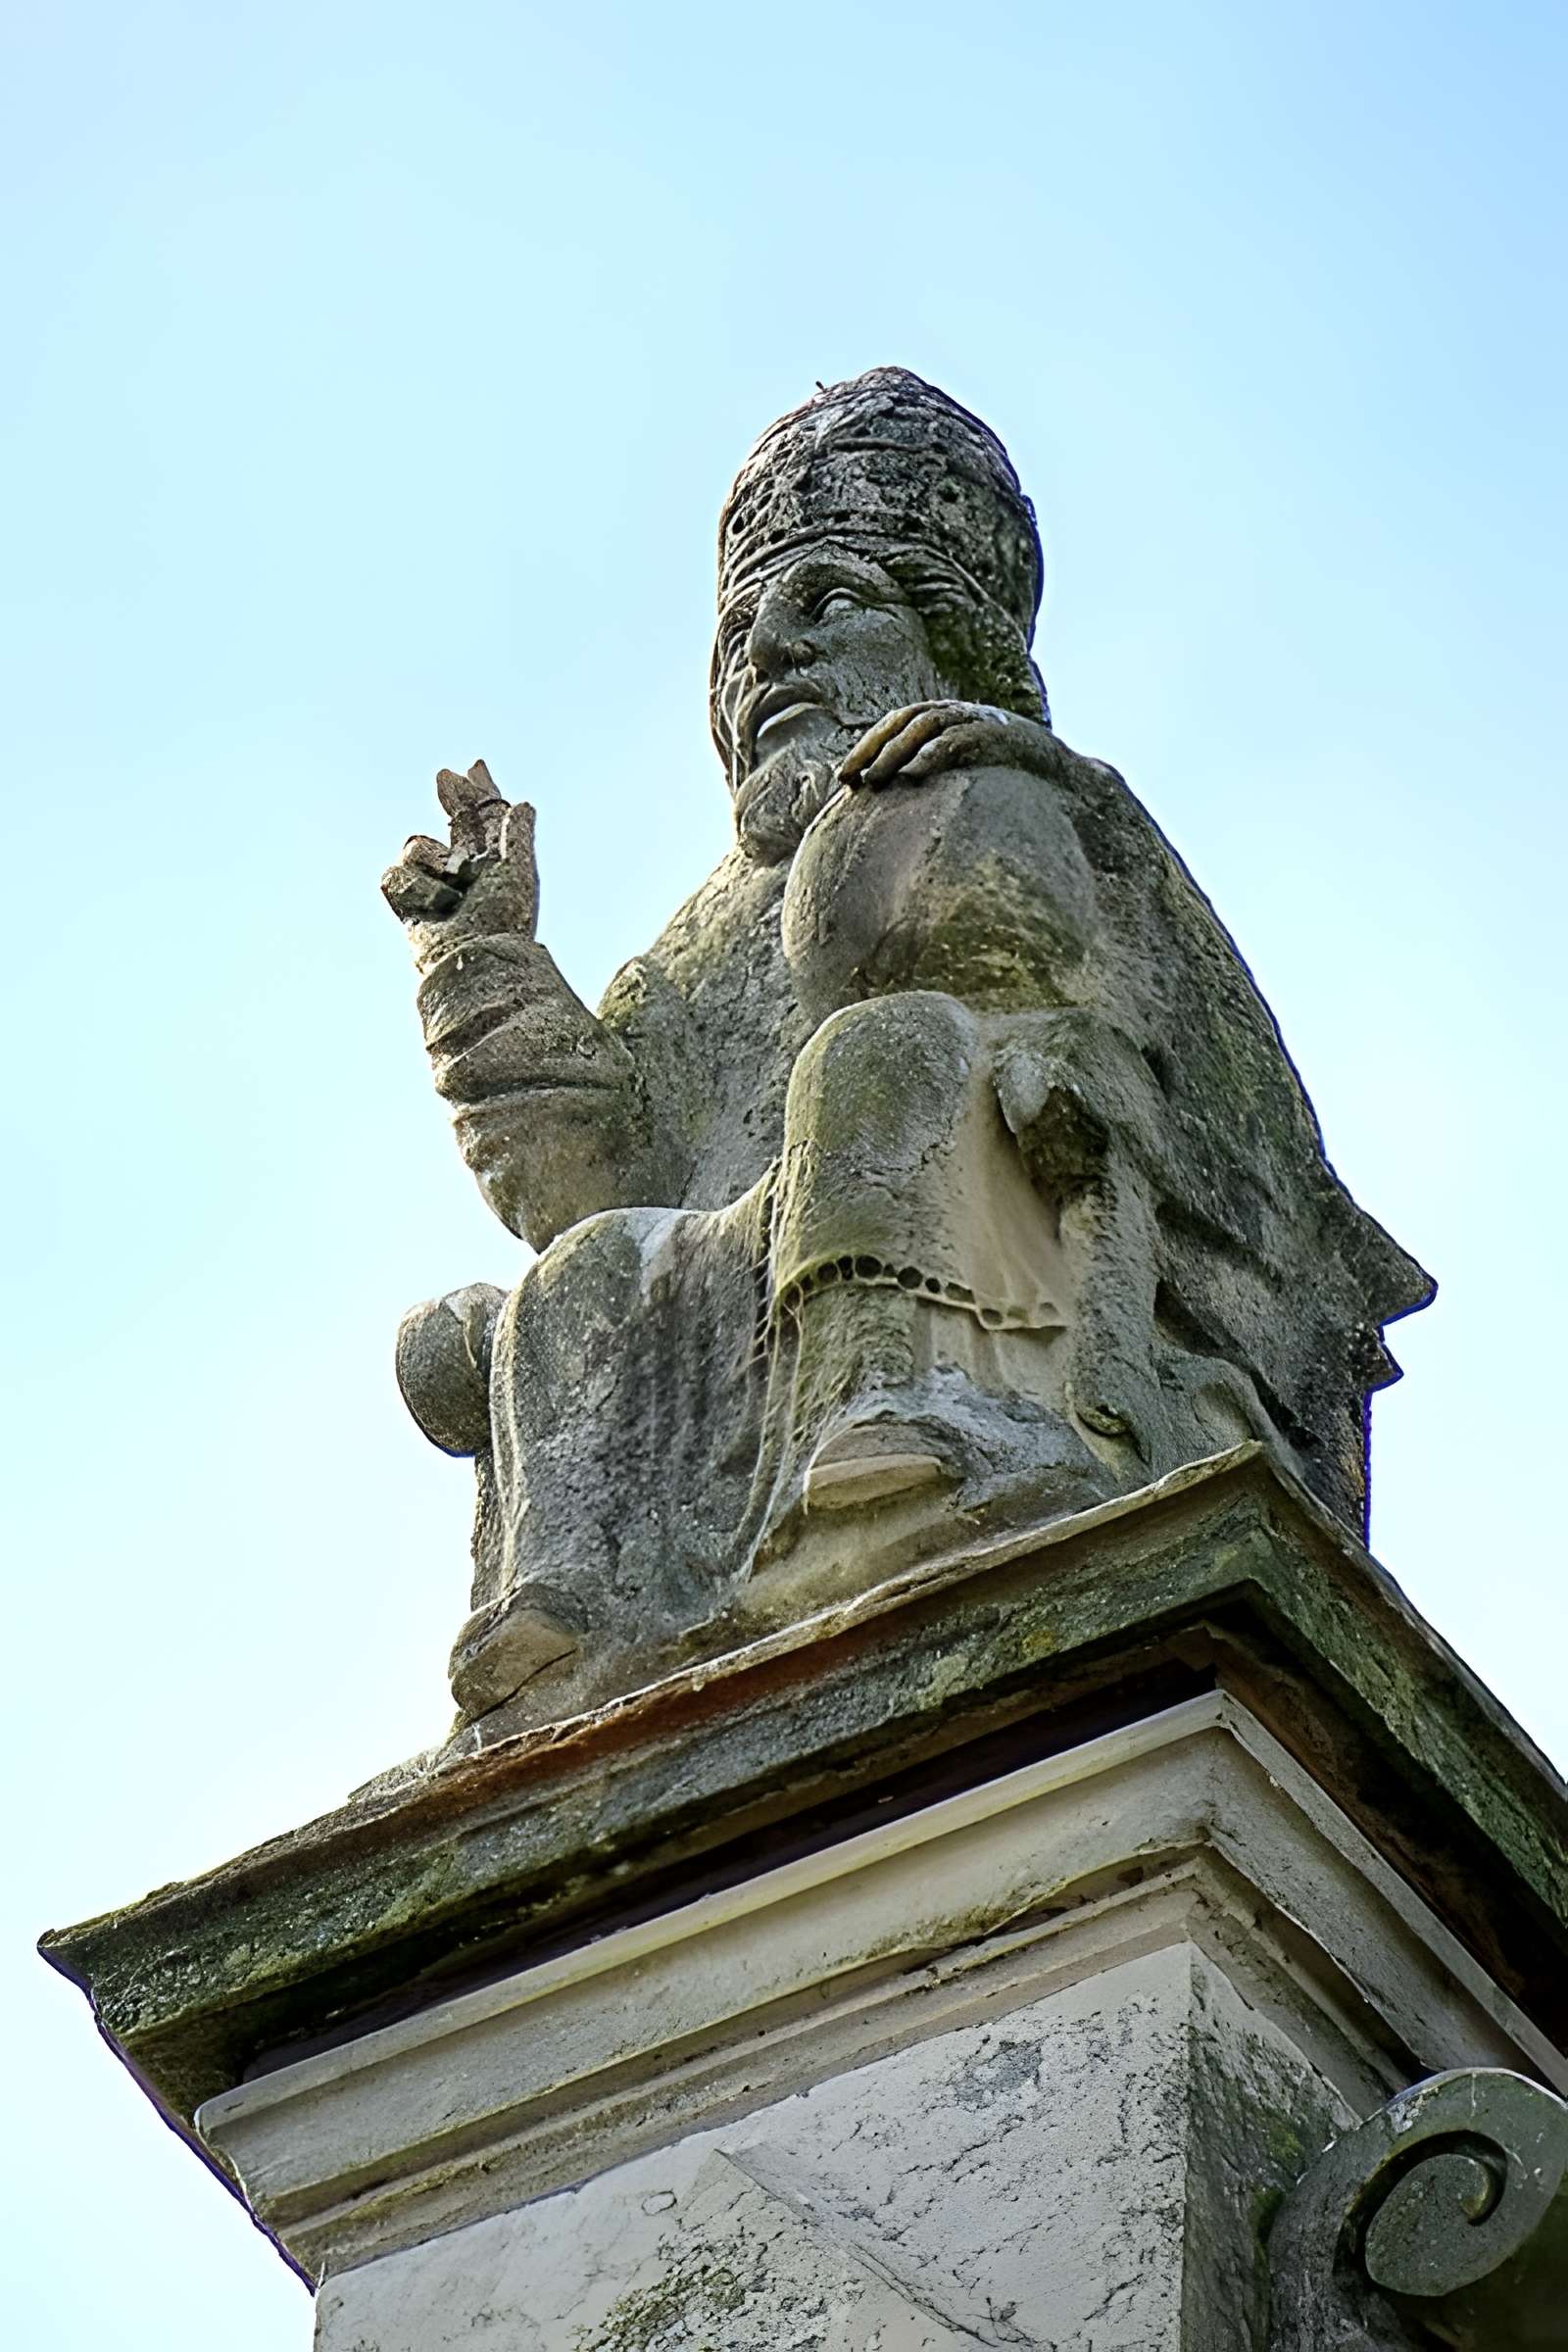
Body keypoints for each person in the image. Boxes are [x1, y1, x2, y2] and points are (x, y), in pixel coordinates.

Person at [383, 368, 1429, 1732]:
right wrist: (483, 964)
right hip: (737, 1280)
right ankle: (578, 1601)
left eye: (828, 605)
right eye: (742, 633)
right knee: (590, 1266)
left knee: (880, 1054)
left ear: (949, 634)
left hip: (1008, 1211)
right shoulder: (707, 935)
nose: (771, 655)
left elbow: (1207, 1099)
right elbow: (591, 1178)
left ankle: (919, 1416)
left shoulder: (1043, 801)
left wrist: (989, 813)